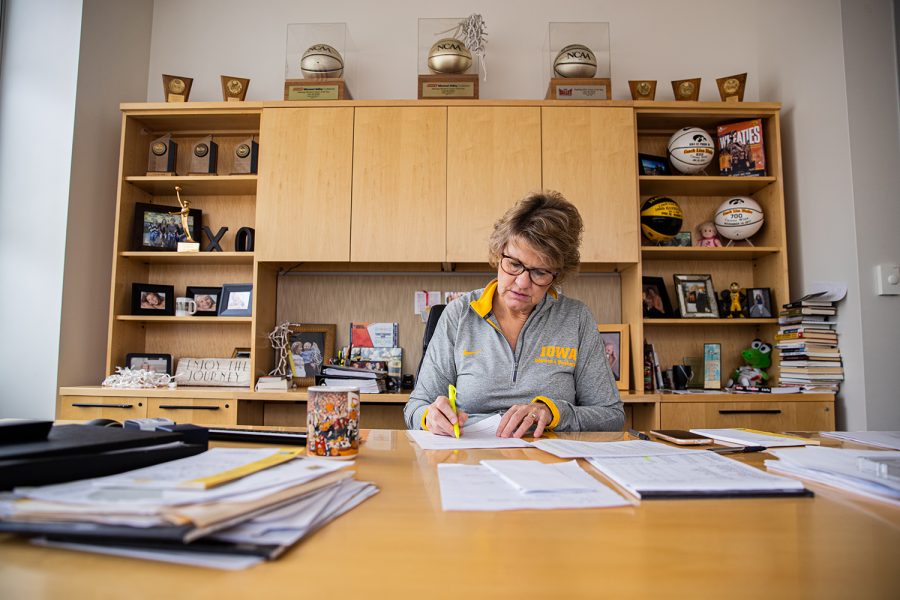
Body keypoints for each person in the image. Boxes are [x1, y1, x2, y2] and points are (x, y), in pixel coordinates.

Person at [404, 191, 624, 438]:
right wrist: (429, 416)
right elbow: (415, 407)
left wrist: (553, 413)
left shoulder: (576, 318)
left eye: (539, 272)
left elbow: (611, 415)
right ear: (499, 255)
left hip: (549, 464)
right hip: (471, 458)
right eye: (514, 264)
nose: (521, 282)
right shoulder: (459, 315)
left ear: (557, 275)